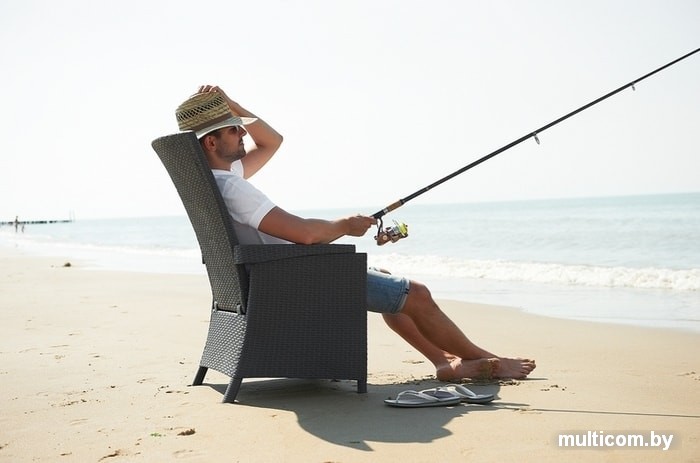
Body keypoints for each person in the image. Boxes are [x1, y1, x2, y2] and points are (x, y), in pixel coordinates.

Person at [175, 86, 536, 381]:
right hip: (296, 280)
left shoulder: (216, 181)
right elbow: (305, 235)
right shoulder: (233, 188)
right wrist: (346, 226)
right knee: (417, 294)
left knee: (390, 280)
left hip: (272, 278)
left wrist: (232, 106)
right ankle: (487, 360)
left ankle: (444, 362)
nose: (243, 133)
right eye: (233, 129)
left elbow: (272, 141)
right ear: (211, 143)